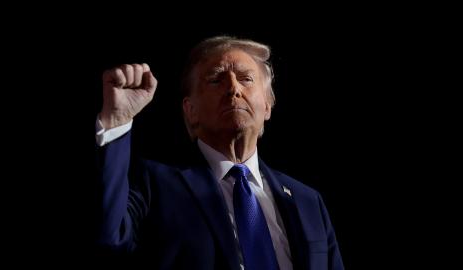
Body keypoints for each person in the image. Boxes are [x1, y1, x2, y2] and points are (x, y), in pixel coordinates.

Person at [95, 36, 344, 270]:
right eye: (216, 79)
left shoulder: (308, 201)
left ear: (267, 105)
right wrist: (116, 120)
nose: (233, 88)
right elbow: (108, 236)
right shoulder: (154, 183)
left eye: (246, 78)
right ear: (190, 110)